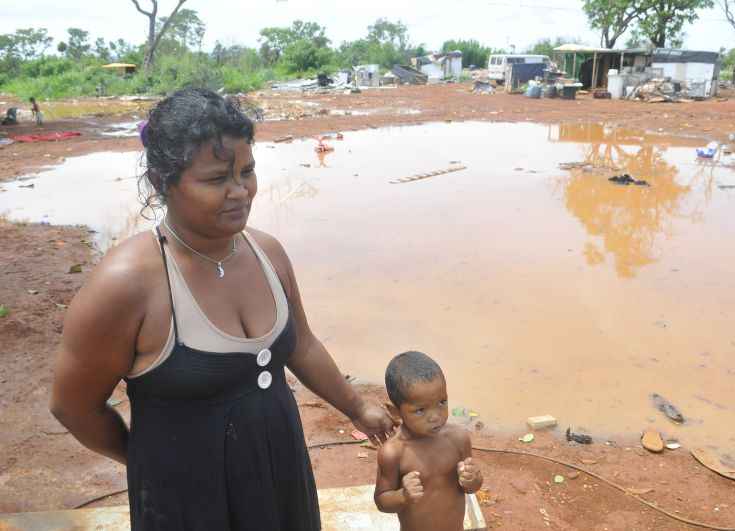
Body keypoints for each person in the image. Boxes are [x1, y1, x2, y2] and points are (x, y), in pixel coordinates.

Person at [49, 88, 397, 531]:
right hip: (187, 504)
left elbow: (301, 344)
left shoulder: (268, 253)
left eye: (247, 172)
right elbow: (73, 406)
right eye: (216, 179)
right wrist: (147, 461)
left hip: (280, 478)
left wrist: (356, 407)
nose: (240, 192)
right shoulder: (127, 285)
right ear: (162, 182)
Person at [375, 351, 483, 531]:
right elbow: (382, 500)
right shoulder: (394, 452)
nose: (435, 417)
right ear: (395, 412)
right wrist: (403, 496)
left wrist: (474, 480)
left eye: (442, 402)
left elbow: (471, 488)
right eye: (420, 410)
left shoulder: (458, 439)